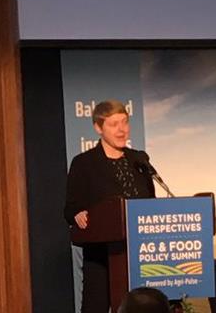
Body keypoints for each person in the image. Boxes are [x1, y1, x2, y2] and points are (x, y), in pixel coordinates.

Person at [65, 100, 156, 313]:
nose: (122, 129)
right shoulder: (84, 163)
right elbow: (70, 208)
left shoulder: (138, 159)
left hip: (141, 253)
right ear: (98, 128)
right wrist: (78, 214)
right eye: (114, 124)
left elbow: (151, 203)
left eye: (124, 122)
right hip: (101, 257)